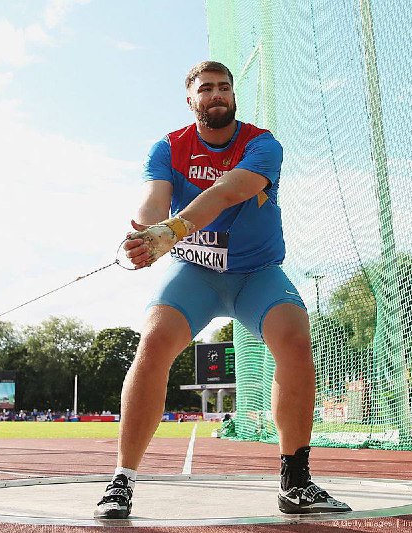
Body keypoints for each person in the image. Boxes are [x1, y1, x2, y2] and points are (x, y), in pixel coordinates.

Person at [94, 61, 351, 519]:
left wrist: (172, 229)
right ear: (191, 99)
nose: (217, 94)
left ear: (233, 96)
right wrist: (147, 233)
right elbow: (153, 197)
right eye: (206, 88)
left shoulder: (262, 144)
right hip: (195, 271)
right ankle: (121, 481)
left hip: (256, 273)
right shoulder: (168, 147)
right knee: (153, 342)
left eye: (224, 88)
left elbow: (230, 191)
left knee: (294, 338)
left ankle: (296, 482)